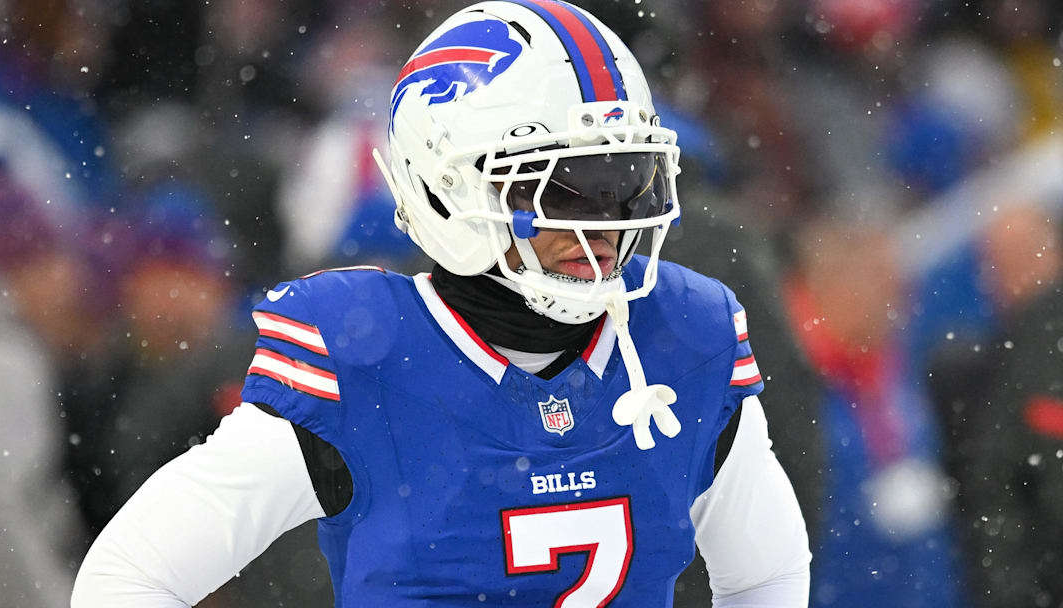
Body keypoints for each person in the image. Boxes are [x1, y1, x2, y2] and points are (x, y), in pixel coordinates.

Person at [72, 2, 810, 606]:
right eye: (563, 189)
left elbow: (768, 573)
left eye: (624, 182)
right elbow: (131, 575)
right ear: (447, 188)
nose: (604, 225)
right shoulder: (367, 354)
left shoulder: (683, 335)